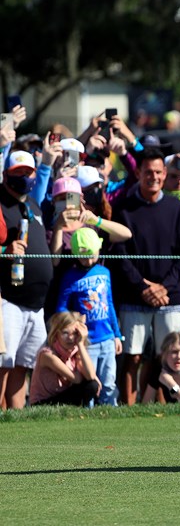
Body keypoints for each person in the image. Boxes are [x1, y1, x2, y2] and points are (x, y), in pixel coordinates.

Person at [112, 148, 180, 405]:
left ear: (165, 173)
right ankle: (130, 408)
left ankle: (162, 406)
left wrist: (162, 287)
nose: (154, 177)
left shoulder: (178, 208)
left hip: (170, 296)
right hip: (134, 295)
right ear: (138, 173)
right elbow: (120, 255)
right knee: (132, 356)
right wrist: (143, 287)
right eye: (148, 172)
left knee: (168, 356)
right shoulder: (123, 208)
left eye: (159, 172)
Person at [0, 150, 53, 409]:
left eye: (28, 172)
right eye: (17, 172)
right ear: (5, 174)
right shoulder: (0, 203)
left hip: (36, 304)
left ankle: (15, 418)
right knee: (3, 362)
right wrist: (4, 252)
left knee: (23, 365)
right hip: (9, 298)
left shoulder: (31, 204)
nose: (24, 177)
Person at [55, 228, 122, 406]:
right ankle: (87, 415)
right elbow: (61, 307)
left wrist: (117, 334)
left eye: (92, 255)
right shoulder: (70, 277)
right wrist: (73, 323)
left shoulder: (104, 272)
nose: (89, 260)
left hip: (107, 339)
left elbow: (110, 305)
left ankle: (112, 415)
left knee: (108, 383)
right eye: (84, 256)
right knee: (90, 383)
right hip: (87, 343)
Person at [29, 312, 100, 406]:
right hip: (43, 403)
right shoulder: (47, 355)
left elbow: (90, 375)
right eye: (65, 333)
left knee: (92, 384)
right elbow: (77, 379)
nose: (70, 338)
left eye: (75, 333)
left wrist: (81, 344)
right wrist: (89, 375)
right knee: (90, 384)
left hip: (62, 397)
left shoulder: (75, 351)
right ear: (56, 334)